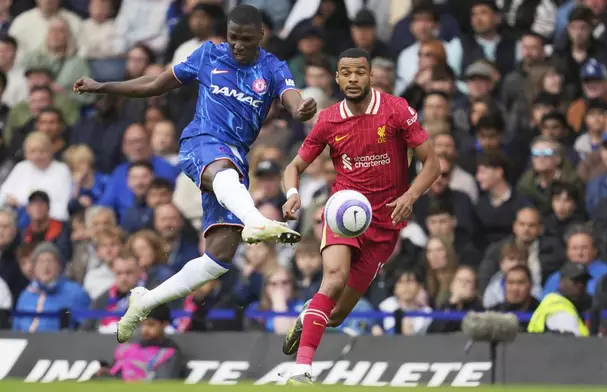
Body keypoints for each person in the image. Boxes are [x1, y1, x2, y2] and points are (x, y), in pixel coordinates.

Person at [72, 4, 317, 344]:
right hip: (200, 142)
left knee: (218, 259)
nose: (238, 46)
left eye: (246, 40)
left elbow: (294, 101)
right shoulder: (208, 55)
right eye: (233, 39)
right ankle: (255, 220)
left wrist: (302, 107)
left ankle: (145, 301)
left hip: (234, 162)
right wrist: (103, 86)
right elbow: (156, 84)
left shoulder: (273, 68)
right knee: (223, 170)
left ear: (261, 36)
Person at [279, 48, 440, 384]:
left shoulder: (396, 110)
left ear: (370, 76)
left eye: (359, 72)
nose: (353, 79)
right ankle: (302, 370)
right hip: (343, 213)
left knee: (335, 314)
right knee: (334, 279)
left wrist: (410, 195)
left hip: (385, 223)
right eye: (346, 73)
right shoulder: (328, 119)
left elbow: (432, 163)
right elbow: (293, 167)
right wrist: (293, 194)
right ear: (337, 78)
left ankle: (309, 314)